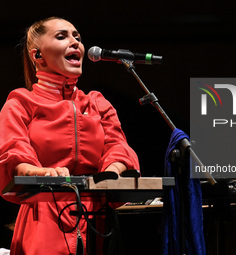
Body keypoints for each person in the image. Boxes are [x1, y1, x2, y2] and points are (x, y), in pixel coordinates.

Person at [0, 17, 139, 254]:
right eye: (62, 36)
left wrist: (113, 171)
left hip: (98, 216)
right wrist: (41, 172)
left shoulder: (96, 102)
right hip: (43, 214)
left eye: (78, 37)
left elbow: (117, 145)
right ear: (37, 56)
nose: (75, 42)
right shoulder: (21, 102)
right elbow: (13, 152)